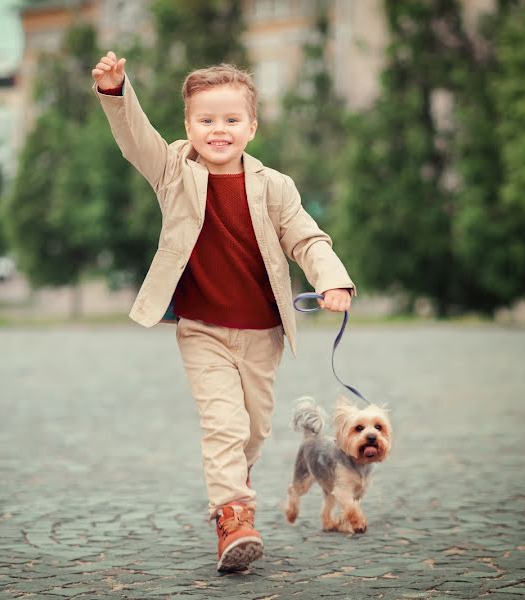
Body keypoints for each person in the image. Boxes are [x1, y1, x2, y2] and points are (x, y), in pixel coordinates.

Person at [92, 51, 355, 572]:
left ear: (251, 127)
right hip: (202, 329)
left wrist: (332, 279)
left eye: (231, 120)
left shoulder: (274, 186)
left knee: (254, 432)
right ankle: (233, 517)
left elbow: (306, 237)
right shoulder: (171, 169)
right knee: (223, 427)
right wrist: (116, 92)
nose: (218, 130)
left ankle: (236, 479)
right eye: (205, 120)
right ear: (187, 126)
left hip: (262, 333)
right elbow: (134, 137)